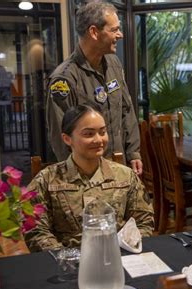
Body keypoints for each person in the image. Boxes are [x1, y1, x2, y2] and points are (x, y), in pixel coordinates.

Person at [26, 105, 154, 251]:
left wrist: (124, 250)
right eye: (88, 134)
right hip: (67, 264)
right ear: (67, 139)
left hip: (118, 258)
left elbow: (143, 222)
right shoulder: (47, 180)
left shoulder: (125, 176)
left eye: (103, 132)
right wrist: (69, 258)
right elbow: (35, 231)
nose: (98, 140)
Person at [46, 1, 143, 175]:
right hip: (88, 175)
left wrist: (133, 152)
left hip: (120, 168)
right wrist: (79, 176)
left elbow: (126, 111)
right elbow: (60, 137)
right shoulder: (64, 78)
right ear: (94, 32)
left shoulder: (113, 63)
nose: (120, 34)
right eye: (114, 30)